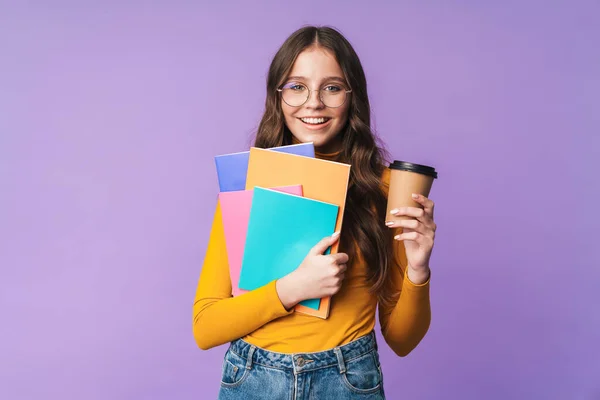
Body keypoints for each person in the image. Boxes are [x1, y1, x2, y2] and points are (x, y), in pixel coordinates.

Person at [192, 25, 437, 400]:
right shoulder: (250, 180)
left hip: (348, 379)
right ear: (278, 97)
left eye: (332, 87)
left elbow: (402, 340)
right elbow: (205, 327)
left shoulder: (387, 188)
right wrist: (292, 289)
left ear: (352, 97)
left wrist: (418, 270)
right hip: (255, 379)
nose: (313, 103)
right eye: (297, 87)